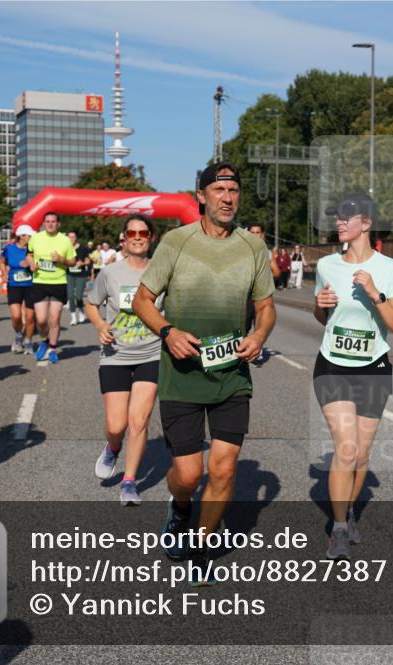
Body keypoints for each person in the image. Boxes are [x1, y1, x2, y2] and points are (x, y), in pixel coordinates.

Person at [133, 161, 275, 585]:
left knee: (226, 469)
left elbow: (266, 307)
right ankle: (179, 508)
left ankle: (202, 544)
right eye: (219, 190)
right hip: (183, 373)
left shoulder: (253, 248)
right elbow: (142, 300)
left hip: (232, 372)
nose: (228, 198)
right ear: (202, 196)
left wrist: (260, 334)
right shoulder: (177, 242)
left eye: (233, 191)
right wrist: (168, 330)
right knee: (189, 475)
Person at [314, 192, 393, 559]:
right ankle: (337, 529)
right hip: (332, 364)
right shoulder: (325, 265)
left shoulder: (388, 268)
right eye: (336, 217)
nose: (339, 222)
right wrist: (318, 308)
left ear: (366, 223)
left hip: (374, 368)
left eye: (346, 217)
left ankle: (350, 509)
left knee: (362, 455)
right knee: (346, 448)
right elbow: (324, 319)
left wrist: (375, 294)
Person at [87, 214, 162, 506]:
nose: (138, 236)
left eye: (143, 232)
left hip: (152, 352)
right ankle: (113, 446)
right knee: (117, 425)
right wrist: (101, 326)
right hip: (116, 354)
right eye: (132, 232)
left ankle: (129, 481)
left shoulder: (162, 271)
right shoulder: (110, 273)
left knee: (139, 420)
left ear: (151, 237)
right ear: (124, 238)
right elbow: (92, 304)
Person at [27, 212, 76, 364]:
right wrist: (31, 264)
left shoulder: (65, 240)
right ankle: (44, 340)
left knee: (55, 318)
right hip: (40, 282)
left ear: (58, 224)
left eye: (53, 221)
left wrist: (61, 260)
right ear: (43, 223)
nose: (50, 224)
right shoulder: (36, 238)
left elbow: (73, 262)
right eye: (47, 221)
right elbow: (29, 254)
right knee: (41, 320)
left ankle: (53, 348)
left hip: (58, 283)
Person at [0, 225, 37, 354]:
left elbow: (39, 264)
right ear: (21, 236)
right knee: (16, 316)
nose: (31, 238)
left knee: (30, 317)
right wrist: (4, 273)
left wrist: (31, 264)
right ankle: (18, 335)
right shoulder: (9, 249)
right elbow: (2, 261)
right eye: (29, 236)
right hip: (14, 285)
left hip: (31, 285)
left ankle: (28, 342)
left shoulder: (33, 250)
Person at [246, 224, 278, 366]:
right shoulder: (241, 249)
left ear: (262, 235)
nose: (255, 235)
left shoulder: (267, 252)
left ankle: (255, 351)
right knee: (243, 326)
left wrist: (264, 277)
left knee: (259, 324)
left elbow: (276, 272)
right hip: (244, 295)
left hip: (260, 295)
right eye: (252, 232)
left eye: (258, 232)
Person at [66, 231, 91, 325]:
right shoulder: (66, 248)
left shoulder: (83, 248)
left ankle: (81, 312)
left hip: (81, 274)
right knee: (70, 296)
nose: (71, 239)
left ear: (76, 238)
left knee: (79, 296)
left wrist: (83, 263)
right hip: (69, 274)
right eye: (70, 237)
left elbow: (88, 261)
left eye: (73, 237)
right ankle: (73, 317)